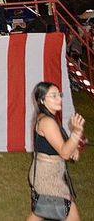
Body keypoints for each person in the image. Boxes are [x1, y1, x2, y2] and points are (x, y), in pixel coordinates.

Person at [27, 81, 85, 221]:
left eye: (59, 94)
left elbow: (60, 147)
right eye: (53, 96)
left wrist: (73, 148)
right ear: (42, 100)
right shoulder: (47, 122)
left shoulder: (48, 117)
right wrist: (76, 133)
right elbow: (64, 152)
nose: (59, 99)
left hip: (48, 172)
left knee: (40, 210)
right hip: (47, 176)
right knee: (70, 213)